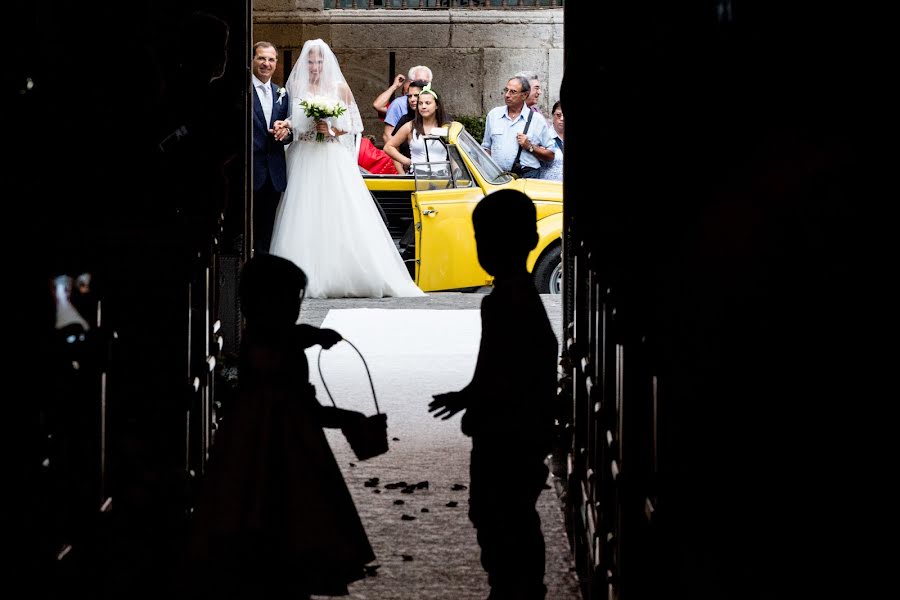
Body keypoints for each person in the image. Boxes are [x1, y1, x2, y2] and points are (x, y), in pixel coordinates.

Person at [184, 254, 376, 599]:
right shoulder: (271, 350)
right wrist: (346, 418)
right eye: (292, 300)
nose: (297, 308)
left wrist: (312, 337)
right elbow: (301, 401)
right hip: (284, 456)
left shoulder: (260, 340)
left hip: (248, 450)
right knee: (286, 520)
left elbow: (288, 339)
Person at [428, 189, 558, 600]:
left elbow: (505, 371)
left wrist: (477, 403)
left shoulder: (504, 302)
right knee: (513, 512)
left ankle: (514, 588)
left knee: (499, 514)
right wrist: (466, 395)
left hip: (506, 431)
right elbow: (497, 365)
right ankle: (519, 585)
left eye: (485, 241)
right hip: (522, 428)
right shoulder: (518, 296)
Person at [270, 39, 424, 298]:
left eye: (319, 61)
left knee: (337, 211)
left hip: (330, 155)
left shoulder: (339, 87)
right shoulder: (296, 86)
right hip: (303, 155)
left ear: (326, 63)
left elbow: (354, 123)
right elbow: (294, 117)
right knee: (302, 210)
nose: (315, 66)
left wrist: (329, 129)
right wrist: (287, 124)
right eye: (310, 61)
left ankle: (342, 271)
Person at [251, 41, 292, 254]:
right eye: (261, 58)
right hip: (249, 173)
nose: (266, 63)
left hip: (273, 173)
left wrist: (285, 133)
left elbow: (289, 130)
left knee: (267, 233)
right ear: (252, 60)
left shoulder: (281, 93)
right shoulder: (243, 91)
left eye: (271, 59)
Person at [482, 76, 555, 179]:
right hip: (498, 177)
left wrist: (530, 146)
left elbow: (550, 155)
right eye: (506, 90)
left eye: (513, 92)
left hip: (527, 177)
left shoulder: (536, 119)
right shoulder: (494, 115)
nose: (507, 95)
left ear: (524, 95)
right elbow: (486, 147)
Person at [383, 83, 449, 174]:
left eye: (428, 103)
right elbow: (388, 147)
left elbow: (455, 154)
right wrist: (408, 162)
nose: (423, 106)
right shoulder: (410, 126)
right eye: (420, 103)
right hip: (416, 177)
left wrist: (457, 175)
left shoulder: (446, 126)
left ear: (437, 105)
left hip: (442, 177)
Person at [382, 65, 433, 146]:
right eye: (419, 81)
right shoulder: (399, 104)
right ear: (410, 82)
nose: (422, 85)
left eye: (426, 82)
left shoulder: (434, 102)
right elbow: (388, 136)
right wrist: (398, 157)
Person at [539, 101, 564, 181]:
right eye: (558, 115)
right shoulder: (544, 136)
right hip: (549, 186)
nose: (562, 119)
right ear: (553, 115)